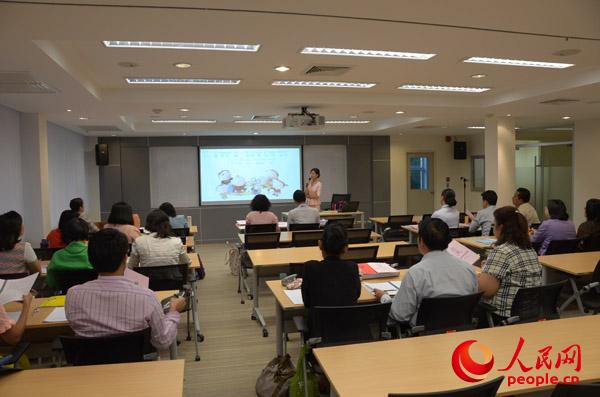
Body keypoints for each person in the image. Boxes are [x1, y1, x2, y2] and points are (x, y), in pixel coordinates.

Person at [65, 229, 186, 351]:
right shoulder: (146, 296)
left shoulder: (73, 294)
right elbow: (162, 341)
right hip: (135, 366)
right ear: (125, 258)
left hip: (87, 366)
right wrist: (173, 311)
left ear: (90, 259)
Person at [374, 218, 477, 326]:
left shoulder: (416, 273)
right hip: (461, 333)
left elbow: (400, 315)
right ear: (448, 241)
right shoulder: (468, 269)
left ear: (421, 241)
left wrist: (385, 298)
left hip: (424, 336)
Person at [478, 206, 542, 322]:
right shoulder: (530, 250)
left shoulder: (502, 251)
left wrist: (482, 274)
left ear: (501, 227)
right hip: (529, 314)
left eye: (494, 225)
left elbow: (486, 291)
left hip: (501, 315)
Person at [301, 223, 361, 308]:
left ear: (320, 244)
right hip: (347, 320)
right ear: (345, 248)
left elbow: (307, 302)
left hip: (318, 321)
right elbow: (356, 295)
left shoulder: (310, 267)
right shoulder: (352, 267)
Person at [46, 218, 93, 290]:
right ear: (86, 233)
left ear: (65, 235)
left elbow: (51, 283)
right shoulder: (93, 254)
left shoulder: (57, 256)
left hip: (65, 298)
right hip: (90, 296)